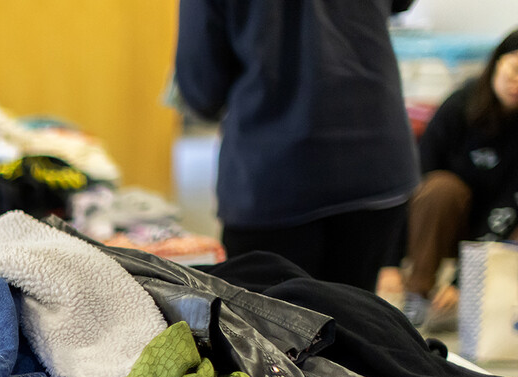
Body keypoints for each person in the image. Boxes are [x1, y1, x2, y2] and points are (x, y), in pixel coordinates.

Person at [174, 0, 419, 292]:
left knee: (268, 328)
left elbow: (201, 85)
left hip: (274, 170)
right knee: (353, 322)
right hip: (373, 158)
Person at [399, 27, 518, 325]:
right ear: (497, 62)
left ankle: (501, 308)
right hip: (445, 223)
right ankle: (418, 294)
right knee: (439, 187)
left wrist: (464, 281)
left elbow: (508, 206)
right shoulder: (458, 107)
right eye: (515, 69)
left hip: (503, 228)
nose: (517, 83)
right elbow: (413, 181)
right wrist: (389, 261)